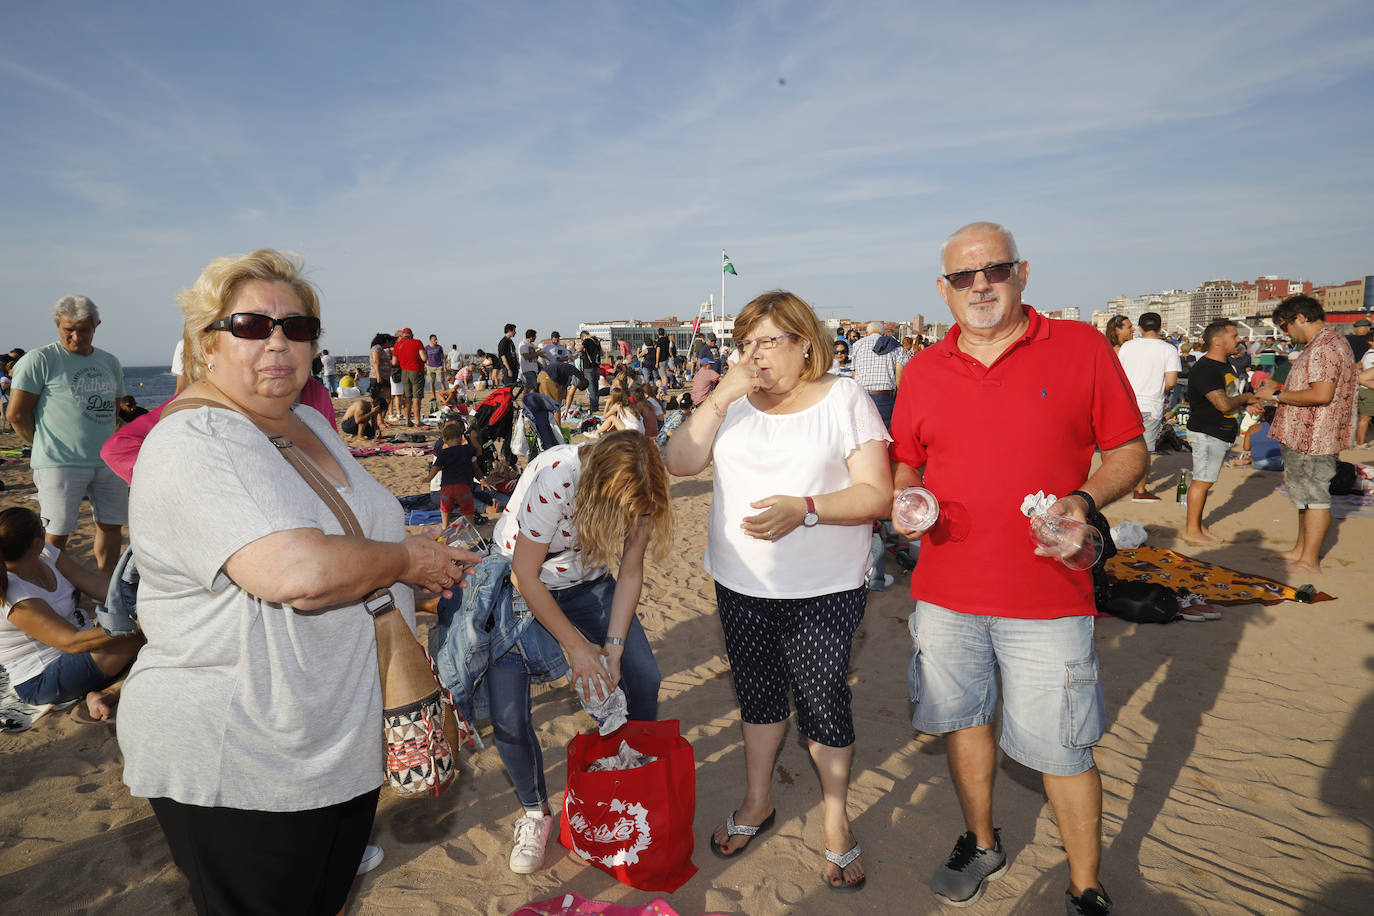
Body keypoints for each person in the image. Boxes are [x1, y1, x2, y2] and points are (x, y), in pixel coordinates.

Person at [118, 249, 476, 915]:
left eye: (298, 327)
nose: (278, 342)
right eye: (252, 325)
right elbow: (299, 573)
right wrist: (404, 562)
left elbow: (352, 533)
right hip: (245, 749)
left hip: (334, 734)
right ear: (208, 345)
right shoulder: (195, 441)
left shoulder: (307, 421)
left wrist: (417, 567)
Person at [890, 222, 1144, 915]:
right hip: (945, 592)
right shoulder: (922, 369)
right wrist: (907, 493)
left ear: (1022, 273)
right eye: (963, 277)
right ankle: (981, 841)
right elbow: (906, 457)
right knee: (963, 722)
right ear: (942, 290)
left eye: (993, 270)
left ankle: (1085, 886)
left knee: (1063, 747)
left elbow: (1129, 450)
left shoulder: (1082, 348)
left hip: (1050, 595)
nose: (979, 286)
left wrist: (1084, 501)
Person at [664, 290, 892, 893]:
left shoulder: (844, 399)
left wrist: (807, 509)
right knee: (759, 697)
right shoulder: (733, 403)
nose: (754, 355)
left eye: (768, 340)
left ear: (804, 344)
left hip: (824, 588)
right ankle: (758, 802)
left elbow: (877, 494)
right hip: (741, 585)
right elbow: (679, 462)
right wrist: (720, 396)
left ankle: (837, 822)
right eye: (745, 343)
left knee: (824, 704)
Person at [488, 430, 672, 874]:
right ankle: (536, 812)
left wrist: (610, 647)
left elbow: (630, 572)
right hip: (516, 584)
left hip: (587, 583)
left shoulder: (641, 485)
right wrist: (578, 649)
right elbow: (525, 576)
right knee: (509, 717)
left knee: (643, 676)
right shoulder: (560, 476)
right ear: (598, 489)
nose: (628, 521)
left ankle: (631, 774)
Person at [7, 296, 128, 574]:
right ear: (57, 326)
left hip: (107, 461)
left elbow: (114, 410)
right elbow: (15, 414)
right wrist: (38, 444)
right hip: (59, 462)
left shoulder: (109, 361)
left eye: (83, 329)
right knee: (55, 535)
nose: (76, 336)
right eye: (68, 329)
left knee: (111, 526)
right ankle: (52, 590)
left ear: (96, 325)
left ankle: (105, 587)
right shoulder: (40, 359)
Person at [0, 507, 142, 722]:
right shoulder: (14, 593)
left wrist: (143, 598)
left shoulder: (45, 553)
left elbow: (95, 585)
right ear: (35, 543)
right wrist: (140, 623)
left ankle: (106, 694)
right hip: (41, 676)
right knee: (143, 635)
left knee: (156, 633)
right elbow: (72, 643)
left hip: (82, 644)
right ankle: (109, 693)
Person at [1254, 295, 1359, 574]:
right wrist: (1281, 387)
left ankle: (1309, 560)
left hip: (1315, 436)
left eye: (1285, 326)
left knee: (1315, 499)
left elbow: (1321, 394)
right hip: (1305, 434)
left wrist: (1276, 394)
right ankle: (1300, 550)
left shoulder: (1324, 347)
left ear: (1301, 318)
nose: (1285, 333)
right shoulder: (1324, 343)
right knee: (1304, 497)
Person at [1184, 320, 1258, 545]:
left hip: (1220, 432)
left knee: (1205, 481)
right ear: (1217, 341)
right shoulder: (1205, 369)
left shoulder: (1226, 363)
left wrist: (1245, 404)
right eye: (1234, 336)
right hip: (1208, 432)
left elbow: (1228, 395)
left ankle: (1197, 526)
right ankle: (1192, 531)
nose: (1239, 340)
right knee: (1202, 482)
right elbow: (1223, 404)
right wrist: (1245, 398)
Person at [1117, 312, 1181, 501]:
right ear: (1160, 328)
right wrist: (1162, 388)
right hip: (1151, 403)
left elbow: (1119, 374)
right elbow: (1171, 381)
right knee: (1145, 450)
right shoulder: (1168, 349)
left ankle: (1121, 482)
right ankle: (1140, 489)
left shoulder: (1127, 347)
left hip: (1127, 403)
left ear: (1139, 328)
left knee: (1125, 446)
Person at [423, 420, 483, 528]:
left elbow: (435, 468)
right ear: (461, 437)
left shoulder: (443, 453)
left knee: (445, 510)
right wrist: (473, 438)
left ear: (445, 439)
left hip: (446, 489)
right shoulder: (467, 449)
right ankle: (472, 527)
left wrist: (428, 478)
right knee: (468, 509)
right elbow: (479, 451)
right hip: (463, 487)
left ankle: (444, 527)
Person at [850, 321, 904, 430]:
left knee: (864, 433)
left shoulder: (857, 345)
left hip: (863, 396)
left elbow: (854, 373)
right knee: (885, 435)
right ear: (883, 334)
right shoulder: (894, 345)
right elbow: (899, 374)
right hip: (885, 397)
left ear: (867, 333)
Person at [392, 327, 426, 427]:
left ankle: (408, 420)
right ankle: (417, 421)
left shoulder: (397, 345)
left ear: (402, 336)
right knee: (416, 398)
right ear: (412, 335)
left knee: (407, 397)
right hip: (416, 371)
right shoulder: (417, 342)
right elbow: (424, 358)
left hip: (404, 372)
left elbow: (394, 362)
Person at [577, 331, 603, 411]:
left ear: (583, 337)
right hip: (596, 366)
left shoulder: (587, 340)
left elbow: (579, 349)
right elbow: (601, 353)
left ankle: (594, 407)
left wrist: (582, 347)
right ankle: (596, 406)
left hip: (588, 367)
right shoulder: (597, 341)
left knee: (591, 388)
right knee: (595, 387)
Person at [424, 335, 446, 404]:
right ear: (430, 340)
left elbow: (443, 357)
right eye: (434, 340)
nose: (436, 341)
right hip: (430, 367)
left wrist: (444, 366)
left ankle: (444, 395)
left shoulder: (439, 347)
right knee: (431, 383)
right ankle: (434, 397)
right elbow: (424, 357)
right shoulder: (426, 348)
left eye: (436, 339)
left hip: (438, 366)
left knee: (441, 381)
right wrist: (425, 364)